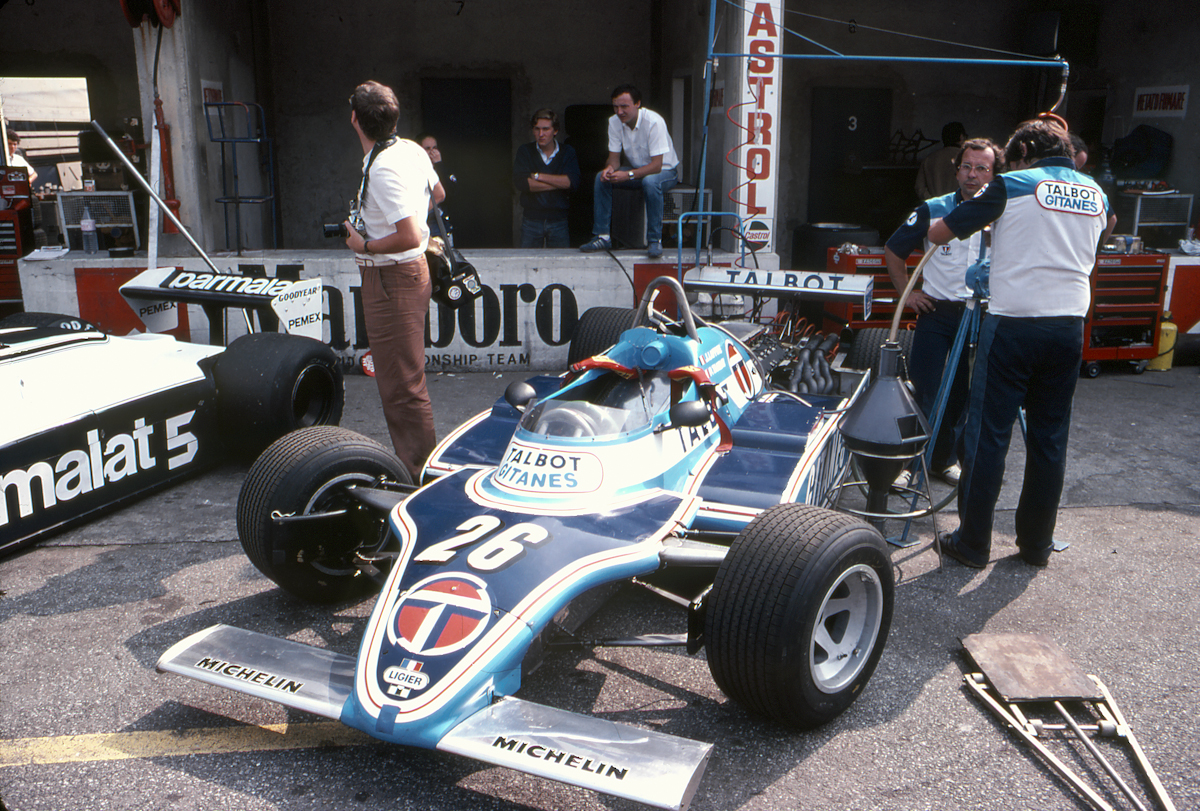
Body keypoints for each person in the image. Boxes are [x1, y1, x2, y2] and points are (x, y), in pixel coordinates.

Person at [927, 119, 1116, 568]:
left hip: (1013, 325)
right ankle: (1035, 545)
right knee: (1050, 438)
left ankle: (973, 543)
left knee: (988, 435)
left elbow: (940, 234)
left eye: (1014, 157)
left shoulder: (1010, 184)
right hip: (1068, 327)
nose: (1009, 165)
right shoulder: (1095, 191)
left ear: (1027, 150)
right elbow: (1104, 231)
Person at [884, 137, 1003, 485]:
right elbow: (894, 250)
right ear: (956, 171)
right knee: (923, 389)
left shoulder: (1003, 212)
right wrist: (908, 294)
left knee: (964, 395)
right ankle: (906, 467)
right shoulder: (933, 209)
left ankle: (943, 461)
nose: (973, 175)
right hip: (937, 312)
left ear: (995, 174)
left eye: (982, 168)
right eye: (966, 167)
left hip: (981, 314)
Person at [343, 80, 445, 480]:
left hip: (391, 277)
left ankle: (420, 474)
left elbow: (410, 235)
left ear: (355, 120)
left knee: (401, 384)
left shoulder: (384, 167)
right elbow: (437, 193)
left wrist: (363, 243)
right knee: (402, 379)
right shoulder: (410, 149)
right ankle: (418, 466)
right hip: (401, 274)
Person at [580, 84, 679, 259]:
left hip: (665, 172)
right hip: (636, 171)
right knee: (601, 178)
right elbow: (615, 159)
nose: (619, 111)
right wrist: (609, 169)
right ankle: (602, 236)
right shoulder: (613, 121)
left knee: (650, 181)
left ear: (637, 104)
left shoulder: (654, 121)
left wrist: (628, 175)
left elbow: (656, 165)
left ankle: (655, 239)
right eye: (616, 107)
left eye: (624, 106)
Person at [513, 108, 580, 248]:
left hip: (558, 220)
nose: (541, 134)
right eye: (537, 129)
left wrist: (538, 176)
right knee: (527, 264)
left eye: (545, 129)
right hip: (531, 219)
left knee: (560, 265)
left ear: (555, 131)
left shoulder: (567, 151)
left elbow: (572, 182)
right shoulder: (525, 151)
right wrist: (559, 182)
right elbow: (523, 184)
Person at [916, 122, 967, 200]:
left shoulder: (929, 159)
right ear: (961, 137)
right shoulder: (967, 158)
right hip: (961, 208)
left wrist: (934, 202)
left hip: (936, 209)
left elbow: (919, 187)